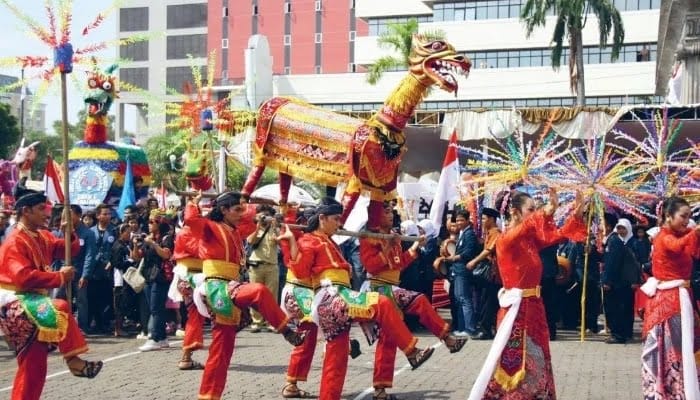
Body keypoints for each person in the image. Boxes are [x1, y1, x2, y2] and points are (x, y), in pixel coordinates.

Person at [280, 197, 435, 400]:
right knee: (381, 303)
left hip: (337, 298)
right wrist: (290, 241)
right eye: (336, 219)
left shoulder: (329, 241)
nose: (339, 224)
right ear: (322, 218)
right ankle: (412, 351)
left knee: (337, 359)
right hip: (330, 297)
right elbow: (300, 271)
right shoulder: (309, 240)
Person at [185, 191, 305, 400]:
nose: (242, 213)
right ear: (223, 210)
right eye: (237, 209)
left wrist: (286, 210)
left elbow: (258, 217)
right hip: (216, 286)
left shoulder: (236, 230)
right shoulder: (209, 227)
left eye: (242, 209)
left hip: (231, 285)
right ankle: (286, 330)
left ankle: (208, 396)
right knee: (257, 291)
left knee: (221, 352)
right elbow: (191, 220)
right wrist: (193, 203)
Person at [468, 188, 585, 400]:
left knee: (537, 358)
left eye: (534, 209)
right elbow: (529, 226)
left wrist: (576, 213)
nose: (534, 213)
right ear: (514, 212)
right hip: (517, 312)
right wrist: (548, 210)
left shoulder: (529, 240)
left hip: (535, 308)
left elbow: (557, 236)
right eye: (530, 209)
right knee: (515, 362)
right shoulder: (506, 240)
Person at [0, 182, 103, 400]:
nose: (47, 214)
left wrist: (69, 232)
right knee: (60, 307)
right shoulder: (14, 242)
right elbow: (23, 277)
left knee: (34, 367)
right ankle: (74, 361)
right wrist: (58, 277)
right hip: (15, 301)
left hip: (34, 303)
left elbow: (69, 249)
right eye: (41, 209)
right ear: (25, 211)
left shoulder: (43, 235)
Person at [359, 202, 467, 400]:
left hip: (392, 287)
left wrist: (416, 245)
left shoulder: (393, 235)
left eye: (391, 211)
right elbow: (372, 266)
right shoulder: (369, 237)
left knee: (390, 337)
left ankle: (380, 391)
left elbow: (400, 263)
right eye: (385, 211)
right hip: (376, 287)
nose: (390, 215)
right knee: (417, 302)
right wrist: (387, 247)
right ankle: (446, 340)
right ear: (375, 214)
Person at [641, 196, 700, 398]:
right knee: (673, 349)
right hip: (669, 303)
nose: (686, 221)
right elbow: (676, 245)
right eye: (683, 216)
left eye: (689, 217)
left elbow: (693, 249)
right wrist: (696, 232)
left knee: (683, 348)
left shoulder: (681, 235)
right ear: (668, 216)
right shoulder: (663, 237)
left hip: (680, 298)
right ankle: (670, 391)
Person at [169, 223, 206, 370]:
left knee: (195, 315)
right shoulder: (189, 233)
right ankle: (186, 356)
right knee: (196, 315)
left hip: (187, 275)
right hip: (193, 277)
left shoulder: (183, 232)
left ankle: (187, 355)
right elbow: (201, 251)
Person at [138, 209, 175, 351]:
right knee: (155, 308)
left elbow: (166, 254)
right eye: (148, 221)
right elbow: (137, 256)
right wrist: (136, 245)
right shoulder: (148, 237)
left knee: (156, 308)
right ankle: (162, 337)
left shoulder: (167, 238)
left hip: (160, 276)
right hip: (148, 275)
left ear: (160, 223)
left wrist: (153, 243)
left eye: (152, 222)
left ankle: (154, 338)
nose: (149, 224)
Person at [467, 207, 501, 339]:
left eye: (484, 218)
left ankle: (486, 329)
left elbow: (488, 250)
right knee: (486, 300)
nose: (482, 221)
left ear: (492, 219)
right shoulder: (489, 233)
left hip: (495, 273)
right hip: (490, 273)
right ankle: (487, 328)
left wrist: (474, 261)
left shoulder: (496, 232)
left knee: (490, 302)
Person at [445, 210, 480, 336]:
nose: (459, 222)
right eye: (457, 220)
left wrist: (454, 258)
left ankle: (470, 328)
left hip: (463, 271)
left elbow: (469, 252)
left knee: (465, 299)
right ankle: (462, 327)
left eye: (461, 220)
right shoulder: (462, 233)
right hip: (458, 271)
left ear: (467, 220)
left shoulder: (469, 234)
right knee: (459, 299)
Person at [246, 204, 281, 333]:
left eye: (267, 215)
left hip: (272, 266)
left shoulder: (274, 229)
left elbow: (281, 242)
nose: (264, 218)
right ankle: (256, 322)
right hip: (256, 265)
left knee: (271, 296)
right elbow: (251, 241)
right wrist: (258, 226)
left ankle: (271, 321)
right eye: (262, 215)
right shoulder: (252, 227)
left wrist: (275, 226)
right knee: (255, 295)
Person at [602, 217, 637, 344]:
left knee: (615, 308)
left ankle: (618, 334)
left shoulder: (614, 241)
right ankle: (622, 333)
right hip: (618, 281)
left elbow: (612, 263)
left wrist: (607, 280)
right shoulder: (612, 240)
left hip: (617, 282)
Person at [89, 204, 117, 334]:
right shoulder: (90, 231)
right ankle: (96, 323)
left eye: (109, 214)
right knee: (94, 297)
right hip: (94, 270)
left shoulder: (114, 230)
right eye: (104, 214)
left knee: (107, 298)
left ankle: (106, 323)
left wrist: (111, 261)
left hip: (108, 270)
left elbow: (117, 249)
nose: (107, 216)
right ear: (98, 216)